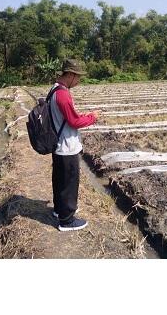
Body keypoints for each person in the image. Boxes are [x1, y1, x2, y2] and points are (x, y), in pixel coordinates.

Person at [49, 58, 100, 231]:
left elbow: (67, 117)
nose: (79, 81)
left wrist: (81, 115)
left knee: (59, 180)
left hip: (57, 144)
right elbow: (74, 121)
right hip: (66, 146)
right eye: (78, 77)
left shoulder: (54, 89)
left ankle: (59, 210)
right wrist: (92, 117)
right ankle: (67, 220)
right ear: (70, 74)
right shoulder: (63, 94)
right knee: (69, 183)